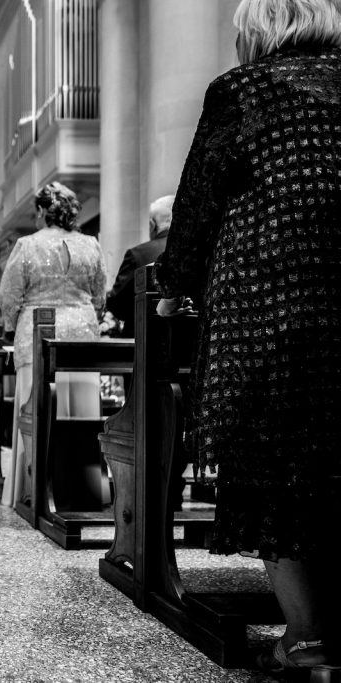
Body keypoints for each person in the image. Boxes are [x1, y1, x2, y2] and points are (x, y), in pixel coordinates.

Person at [154, 0, 341, 676]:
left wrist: (175, 282)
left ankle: (308, 636)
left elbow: (198, 203)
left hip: (272, 303)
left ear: (258, 30)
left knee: (276, 458)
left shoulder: (242, 90)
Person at [0, 182, 106, 509]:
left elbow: (10, 296)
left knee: (37, 413)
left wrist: (9, 325)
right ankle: (82, 492)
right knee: (81, 418)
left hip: (37, 336)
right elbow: (100, 295)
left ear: (43, 211)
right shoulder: (91, 245)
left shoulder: (27, 245)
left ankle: (36, 490)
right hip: (83, 336)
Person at [107, 195, 175, 337]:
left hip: (143, 339)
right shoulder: (199, 252)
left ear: (152, 224)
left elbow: (116, 304)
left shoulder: (138, 254)